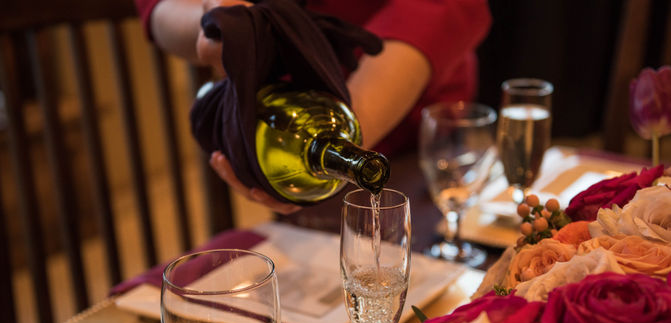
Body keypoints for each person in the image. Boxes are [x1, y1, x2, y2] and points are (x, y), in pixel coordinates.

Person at [134, 0, 492, 214]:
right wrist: (220, 19)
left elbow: (439, 8)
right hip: (291, 120)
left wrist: (348, 128)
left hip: (423, 142)